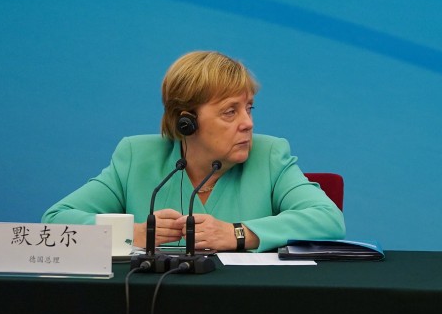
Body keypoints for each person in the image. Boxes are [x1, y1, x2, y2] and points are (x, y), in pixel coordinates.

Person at [43, 51, 345, 252]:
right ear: (186, 121)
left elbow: (328, 219)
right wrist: (129, 233)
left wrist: (239, 233)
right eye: (230, 112)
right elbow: (55, 221)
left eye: (249, 108)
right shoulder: (136, 156)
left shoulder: (269, 155)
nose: (248, 123)